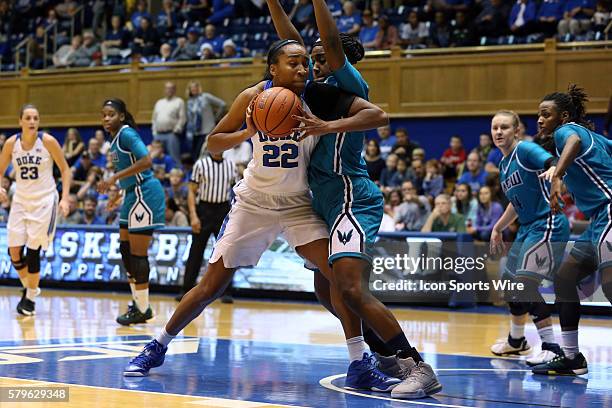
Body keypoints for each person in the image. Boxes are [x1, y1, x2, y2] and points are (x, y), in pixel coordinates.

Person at [123, 39, 400, 393]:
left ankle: (358, 363)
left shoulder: (318, 96)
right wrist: (248, 132)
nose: (303, 69)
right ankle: (157, 345)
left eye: (305, 64)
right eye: (294, 63)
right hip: (254, 203)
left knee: (339, 280)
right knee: (211, 285)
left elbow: (375, 114)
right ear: (273, 68)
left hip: (298, 203)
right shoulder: (254, 96)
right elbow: (214, 143)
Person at [266, 0, 442, 398]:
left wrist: (327, 127)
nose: (313, 65)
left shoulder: (350, 84)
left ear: (336, 59)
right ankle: (384, 355)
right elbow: (288, 40)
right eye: (308, 60)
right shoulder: (313, 89)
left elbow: (378, 115)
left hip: (350, 195)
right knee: (325, 289)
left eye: (319, 58)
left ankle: (416, 365)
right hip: (323, 198)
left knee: (350, 288)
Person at [531, 85, 612, 375]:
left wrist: (559, 173)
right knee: (565, 278)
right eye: (538, 115)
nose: (540, 120)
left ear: (562, 116)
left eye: (545, 114)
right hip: (597, 221)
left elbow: (573, 141)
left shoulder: (568, 131)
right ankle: (571, 357)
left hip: (609, 210)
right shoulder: (599, 138)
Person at [488, 110, 568, 367]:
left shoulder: (524, 151)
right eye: (495, 128)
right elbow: (515, 202)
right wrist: (498, 227)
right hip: (528, 226)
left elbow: (550, 161)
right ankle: (516, 340)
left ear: (516, 130)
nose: (499, 132)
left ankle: (551, 347)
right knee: (509, 283)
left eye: (504, 127)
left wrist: (554, 169)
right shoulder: (503, 164)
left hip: (548, 221)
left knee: (524, 283)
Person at [97, 98, 166, 326]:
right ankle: (138, 303)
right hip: (131, 193)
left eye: (111, 114)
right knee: (125, 251)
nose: (107, 118)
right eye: (104, 115)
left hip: (145, 193)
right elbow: (129, 173)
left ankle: (143, 309)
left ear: (122, 116)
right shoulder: (114, 139)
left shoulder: (127, 134)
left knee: (138, 254)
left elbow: (146, 161)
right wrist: (118, 193)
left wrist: (113, 179)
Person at [0, 104, 72, 316]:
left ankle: (30, 298)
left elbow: (65, 170)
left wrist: (66, 198)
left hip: (44, 201)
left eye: (36, 118)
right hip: (21, 201)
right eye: (28, 118)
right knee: (13, 252)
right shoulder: (12, 143)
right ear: (20, 121)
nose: (32, 122)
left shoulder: (47, 141)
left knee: (32, 252)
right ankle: (31, 286)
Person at [177, 151, 234, 302]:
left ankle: (226, 291)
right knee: (196, 251)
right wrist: (193, 215)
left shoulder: (231, 165)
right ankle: (186, 288)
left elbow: (235, 192)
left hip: (223, 209)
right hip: (204, 209)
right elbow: (191, 191)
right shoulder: (200, 164)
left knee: (225, 253)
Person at [185, 81, 227, 160]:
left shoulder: (206, 97)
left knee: (203, 153)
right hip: (195, 132)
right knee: (195, 154)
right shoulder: (189, 101)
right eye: (192, 88)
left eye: (196, 87)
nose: (194, 89)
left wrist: (215, 117)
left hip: (207, 129)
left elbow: (222, 104)